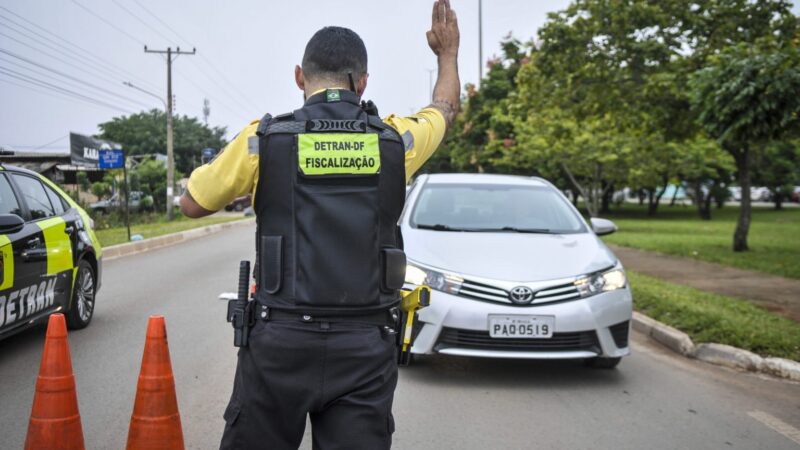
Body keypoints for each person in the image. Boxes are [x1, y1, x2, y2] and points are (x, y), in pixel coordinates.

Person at [180, 1, 460, 448]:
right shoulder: (397, 141)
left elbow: (192, 204)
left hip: (280, 344)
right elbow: (444, 109)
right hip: (366, 346)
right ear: (363, 81)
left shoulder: (261, 140)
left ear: (299, 76)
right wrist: (447, 55)